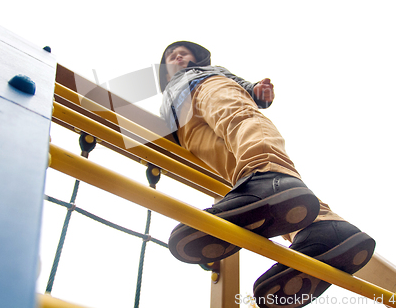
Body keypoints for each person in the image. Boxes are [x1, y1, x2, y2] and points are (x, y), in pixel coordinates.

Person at [158, 41, 375, 308]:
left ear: (196, 58)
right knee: (234, 169)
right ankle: (322, 228)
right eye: (171, 56)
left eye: (183, 52)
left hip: (206, 88)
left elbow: (245, 90)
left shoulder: (210, 70)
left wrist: (256, 91)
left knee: (238, 119)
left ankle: (266, 174)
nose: (177, 56)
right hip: (185, 127)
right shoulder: (167, 94)